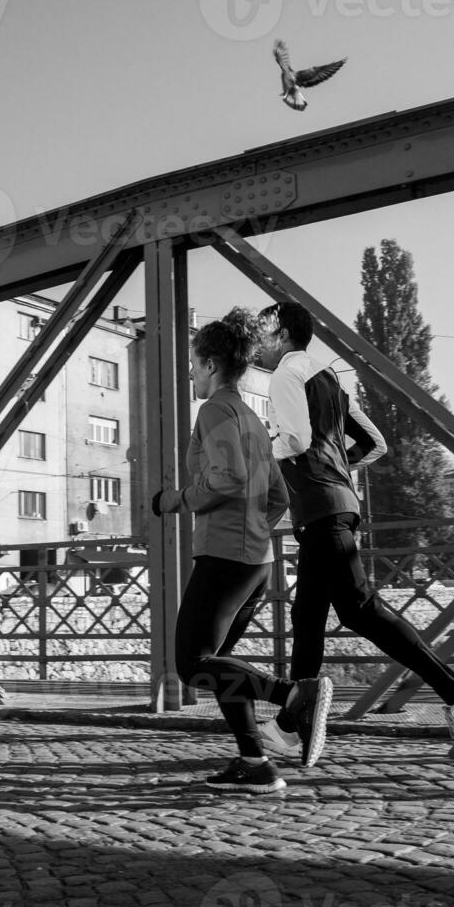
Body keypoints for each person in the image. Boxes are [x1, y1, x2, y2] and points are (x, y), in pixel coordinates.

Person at [258, 300, 454, 762]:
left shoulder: (285, 375)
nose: (258, 344)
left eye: (264, 331)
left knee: (360, 611)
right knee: (308, 618)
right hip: (336, 508)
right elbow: (374, 443)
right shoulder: (329, 378)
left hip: (321, 509)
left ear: (283, 334)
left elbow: (297, 441)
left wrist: (260, 453)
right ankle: (291, 725)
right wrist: (338, 472)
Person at [152, 312, 332, 794]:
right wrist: (255, 528)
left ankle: (295, 694)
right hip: (256, 561)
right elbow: (278, 496)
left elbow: (226, 477)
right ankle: (254, 763)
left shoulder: (213, 412)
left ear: (210, 364)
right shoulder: (252, 418)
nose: (190, 373)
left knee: (192, 664)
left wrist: (177, 501)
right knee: (221, 664)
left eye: (192, 364)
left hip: (224, 556)